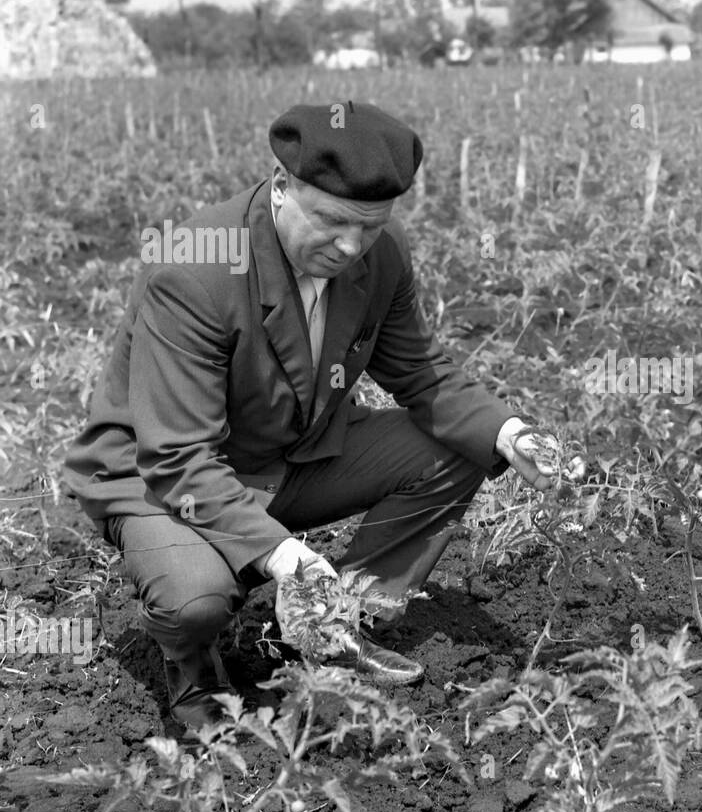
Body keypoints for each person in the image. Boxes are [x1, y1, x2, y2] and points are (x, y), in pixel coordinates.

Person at [65, 100, 564, 732]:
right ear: (281, 189)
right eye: (331, 221)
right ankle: (200, 687)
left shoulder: (377, 254)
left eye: (371, 226)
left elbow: (419, 368)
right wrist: (283, 555)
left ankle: (328, 629)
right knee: (198, 599)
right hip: (162, 483)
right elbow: (176, 456)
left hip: (289, 458)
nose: (350, 245)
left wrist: (510, 434)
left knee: (459, 447)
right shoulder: (195, 269)